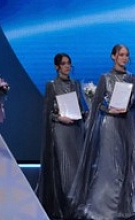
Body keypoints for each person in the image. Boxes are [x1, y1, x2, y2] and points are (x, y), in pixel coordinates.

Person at [67, 44, 135, 220]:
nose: (124, 58)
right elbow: (97, 104)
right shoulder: (105, 78)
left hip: (127, 125)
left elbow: (132, 104)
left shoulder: (132, 78)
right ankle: (104, 207)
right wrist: (109, 110)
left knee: (126, 165)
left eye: (127, 55)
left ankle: (124, 208)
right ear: (113, 56)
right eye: (121, 55)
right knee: (110, 166)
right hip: (111, 125)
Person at [36, 52, 86, 219]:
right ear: (57, 67)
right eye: (64, 63)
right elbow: (47, 112)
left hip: (75, 130)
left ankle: (77, 207)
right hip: (61, 130)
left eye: (69, 63)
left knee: (77, 168)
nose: (67, 66)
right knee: (66, 169)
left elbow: (79, 107)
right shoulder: (52, 85)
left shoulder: (76, 84)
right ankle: (65, 207)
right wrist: (59, 118)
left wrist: (86, 113)